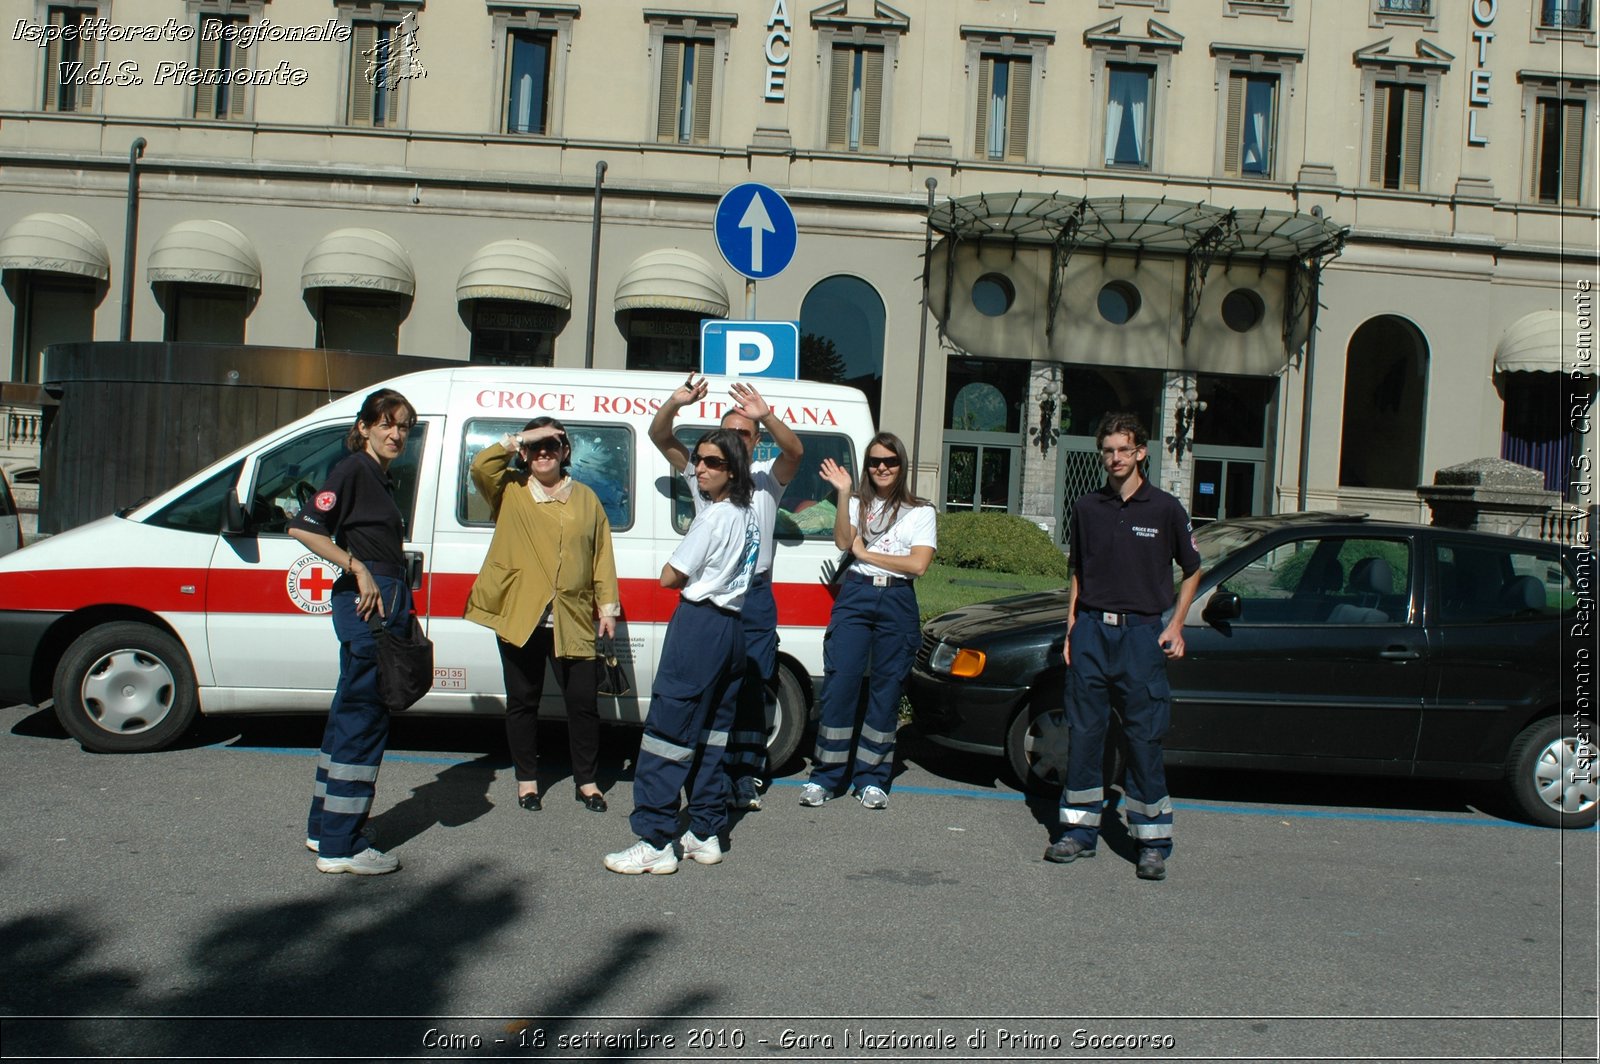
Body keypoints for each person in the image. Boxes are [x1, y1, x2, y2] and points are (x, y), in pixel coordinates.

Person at [1047, 412, 1202, 882]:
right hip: (1092, 631)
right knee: (1085, 735)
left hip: (1141, 636)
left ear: (1140, 454)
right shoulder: (1088, 507)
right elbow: (1078, 572)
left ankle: (1151, 841)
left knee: (1142, 739)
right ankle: (1077, 832)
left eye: (1123, 450)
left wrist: (1176, 624)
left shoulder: (1165, 509)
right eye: (1108, 450)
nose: (1115, 458)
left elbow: (1192, 569)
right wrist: (1073, 628)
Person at [604, 429, 759, 874]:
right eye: (698, 460)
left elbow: (671, 576)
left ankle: (655, 840)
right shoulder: (748, 511)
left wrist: (674, 567)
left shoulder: (713, 517)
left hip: (701, 624)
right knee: (712, 734)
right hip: (732, 629)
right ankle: (705, 832)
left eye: (712, 462)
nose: (701, 468)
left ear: (732, 469)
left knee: (666, 733)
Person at [648, 373, 802, 812]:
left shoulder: (767, 478)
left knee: (754, 685)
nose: (737, 438)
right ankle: (706, 780)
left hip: (753, 593)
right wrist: (675, 402)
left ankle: (746, 775)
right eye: (729, 431)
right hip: (712, 595)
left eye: (745, 433)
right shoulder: (706, 473)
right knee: (710, 693)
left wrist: (766, 414)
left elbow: (795, 451)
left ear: (756, 441)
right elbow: (660, 435)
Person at [287, 387, 418, 876]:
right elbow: (304, 527)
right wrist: (358, 568)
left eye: (403, 425)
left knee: (348, 716)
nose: (395, 433)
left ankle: (325, 827)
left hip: (381, 599)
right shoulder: (354, 469)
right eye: (386, 422)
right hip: (368, 603)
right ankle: (342, 848)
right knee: (364, 720)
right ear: (364, 426)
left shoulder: (377, 477)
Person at [465, 417, 620, 814]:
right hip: (521, 615)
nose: (544, 451)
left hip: (571, 619)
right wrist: (520, 437)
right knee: (523, 701)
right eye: (536, 446)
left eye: (553, 443)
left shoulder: (587, 497)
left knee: (583, 704)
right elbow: (481, 466)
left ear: (566, 451)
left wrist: (607, 608)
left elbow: (601, 554)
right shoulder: (510, 491)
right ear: (524, 453)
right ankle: (527, 781)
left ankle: (587, 782)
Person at [799, 431, 936, 810]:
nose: (882, 467)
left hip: (897, 598)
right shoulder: (857, 502)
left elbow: (918, 564)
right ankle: (825, 776)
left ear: (901, 466)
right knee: (840, 684)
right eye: (875, 461)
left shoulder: (921, 511)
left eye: (890, 461)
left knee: (886, 690)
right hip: (856, 595)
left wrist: (867, 553)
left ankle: (872, 778)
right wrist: (843, 493)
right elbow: (845, 543)